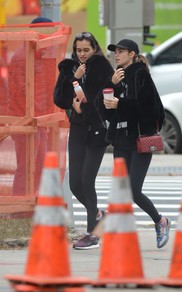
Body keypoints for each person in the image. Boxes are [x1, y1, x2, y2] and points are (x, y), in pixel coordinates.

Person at [104, 39, 171, 248]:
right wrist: (111, 86)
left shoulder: (140, 74)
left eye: (121, 51)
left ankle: (160, 221)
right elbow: (107, 111)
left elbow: (148, 108)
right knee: (121, 190)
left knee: (133, 189)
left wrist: (120, 103)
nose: (117, 55)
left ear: (132, 54)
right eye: (115, 52)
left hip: (139, 140)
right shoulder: (118, 76)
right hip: (120, 140)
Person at [54, 32, 114, 249]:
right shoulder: (69, 67)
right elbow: (60, 99)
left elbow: (104, 98)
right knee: (74, 183)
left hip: (97, 130)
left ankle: (92, 234)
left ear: (94, 49)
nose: (82, 54)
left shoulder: (101, 66)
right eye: (79, 50)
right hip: (78, 129)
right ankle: (99, 215)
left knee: (88, 181)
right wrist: (73, 78)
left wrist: (83, 105)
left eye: (86, 50)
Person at [8, 16, 52, 195]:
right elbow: (21, 93)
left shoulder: (35, 54)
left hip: (36, 121)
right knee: (27, 167)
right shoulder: (23, 57)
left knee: (38, 164)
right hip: (28, 122)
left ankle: (32, 204)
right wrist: (38, 118)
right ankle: (20, 208)